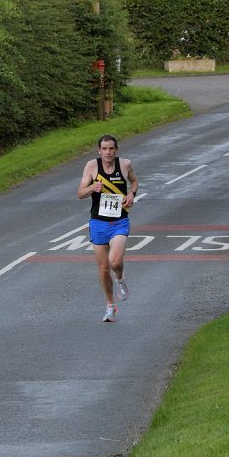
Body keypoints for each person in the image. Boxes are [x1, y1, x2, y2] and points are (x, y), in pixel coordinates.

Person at [77, 133, 139, 322]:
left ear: (116, 150)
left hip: (119, 221)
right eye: (104, 149)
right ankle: (110, 306)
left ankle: (120, 278)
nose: (108, 152)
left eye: (111, 148)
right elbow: (80, 193)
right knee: (104, 269)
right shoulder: (92, 166)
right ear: (99, 151)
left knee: (115, 262)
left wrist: (131, 193)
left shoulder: (125, 164)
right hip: (97, 223)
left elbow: (134, 182)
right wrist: (91, 189)